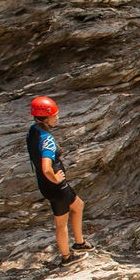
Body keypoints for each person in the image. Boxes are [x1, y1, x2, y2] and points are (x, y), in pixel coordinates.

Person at [25, 96, 88, 266]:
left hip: (45, 184)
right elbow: (46, 167)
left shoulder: (33, 131)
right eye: (55, 115)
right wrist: (55, 177)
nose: (57, 117)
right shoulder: (47, 140)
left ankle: (80, 243)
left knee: (78, 205)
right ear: (46, 117)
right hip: (56, 186)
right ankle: (67, 257)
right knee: (61, 224)